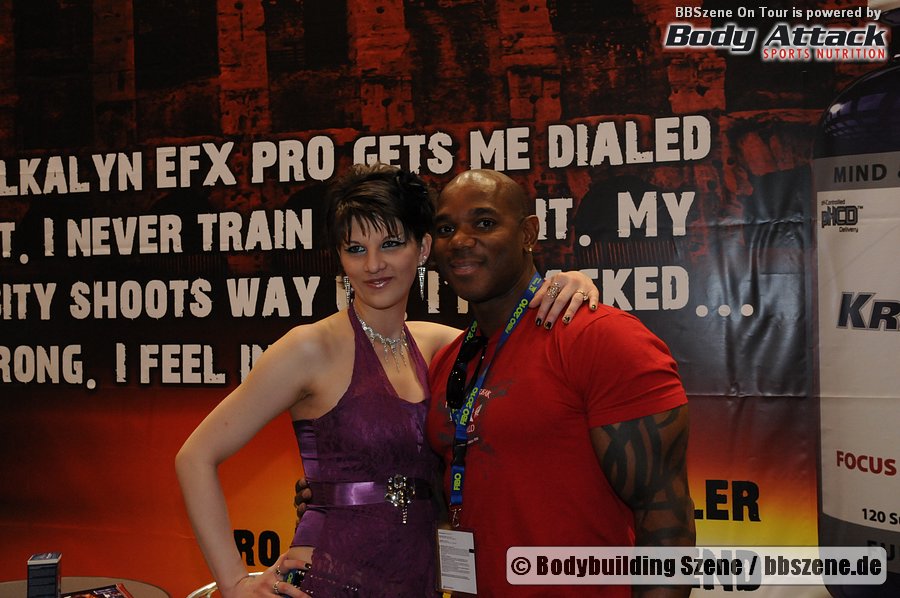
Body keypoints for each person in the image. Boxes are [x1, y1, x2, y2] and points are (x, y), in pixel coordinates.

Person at [175, 163, 600, 598]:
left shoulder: (442, 347)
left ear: (423, 248)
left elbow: (522, 337)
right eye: (355, 249)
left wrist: (570, 283)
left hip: (419, 581)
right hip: (328, 582)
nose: (373, 264)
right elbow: (195, 457)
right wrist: (234, 583)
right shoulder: (309, 348)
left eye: (391, 244)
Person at [424, 169, 695, 597]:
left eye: (484, 223)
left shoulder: (601, 338)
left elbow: (664, 517)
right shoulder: (450, 360)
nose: (460, 240)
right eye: (445, 229)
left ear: (528, 234)